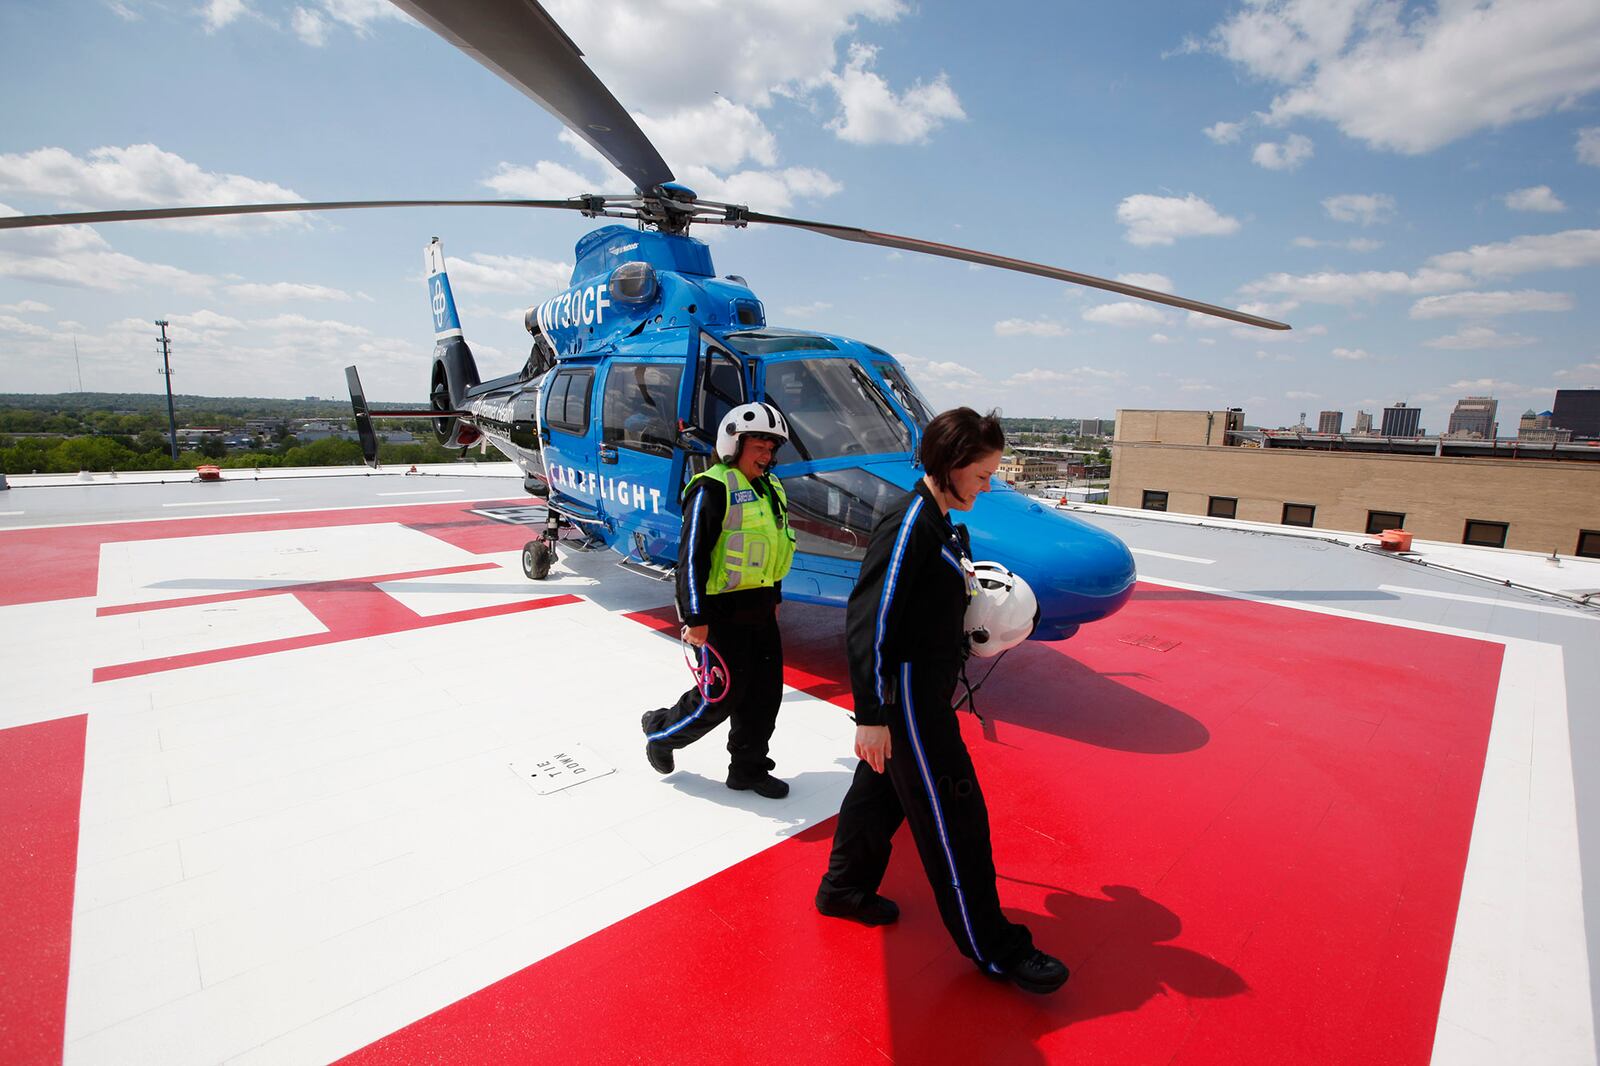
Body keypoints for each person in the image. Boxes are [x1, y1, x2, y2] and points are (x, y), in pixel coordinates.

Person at [814, 406, 1070, 995]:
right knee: (956, 818)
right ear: (951, 466)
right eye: (982, 475)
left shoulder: (945, 524)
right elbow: (869, 621)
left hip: (923, 688)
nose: (988, 485)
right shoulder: (911, 527)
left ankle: (843, 890)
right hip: (907, 702)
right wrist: (873, 717)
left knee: (877, 796)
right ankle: (995, 948)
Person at [640, 400, 797, 799]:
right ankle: (662, 733)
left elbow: (776, 544)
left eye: (771, 449)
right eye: (758, 447)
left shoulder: (772, 489)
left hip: (761, 609)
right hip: (721, 613)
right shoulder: (712, 488)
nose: (766, 456)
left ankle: (748, 769)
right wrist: (695, 616)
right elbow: (691, 557)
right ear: (734, 445)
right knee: (720, 696)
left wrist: (773, 594)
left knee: (764, 696)